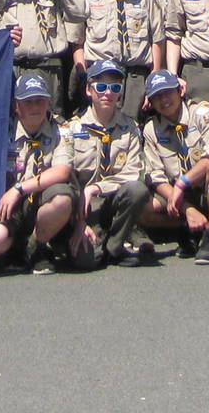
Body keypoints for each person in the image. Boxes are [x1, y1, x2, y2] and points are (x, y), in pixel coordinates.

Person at [0, 74, 78, 274]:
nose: (35, 106)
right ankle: (11, 247)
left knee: (63, 198)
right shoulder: (1, 130)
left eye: (40, 100)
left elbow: (62, 171)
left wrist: (19, 189)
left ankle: (37, 246)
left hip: (39, 202)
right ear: (15, 106)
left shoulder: (61, 128)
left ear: (48, 103)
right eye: (27, 102)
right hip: (4, 205)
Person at [60, 58, 155, 267]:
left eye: (114, 87)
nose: (108, 93)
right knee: (86, 262)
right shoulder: (72, 130)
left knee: (137, 190)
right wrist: (79, 222)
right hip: (83, 209)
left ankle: (116, 245)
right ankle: (91, 239)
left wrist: (95, 188)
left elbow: (134, 173)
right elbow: (67, 179)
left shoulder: (129, 128)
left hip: (114, 200)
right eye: (101, 86)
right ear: (88, 90)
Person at [139, 69, 209, 263]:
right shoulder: (151, 129)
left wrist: (183, 182)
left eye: (167, 93)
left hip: (206, 189)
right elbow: (156, 177)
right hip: (178, 198)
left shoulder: (201, 112)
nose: (163, 100)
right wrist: (187, 208)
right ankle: (189, 227)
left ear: (180, 91)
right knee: (143, 207)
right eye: (156, 97)